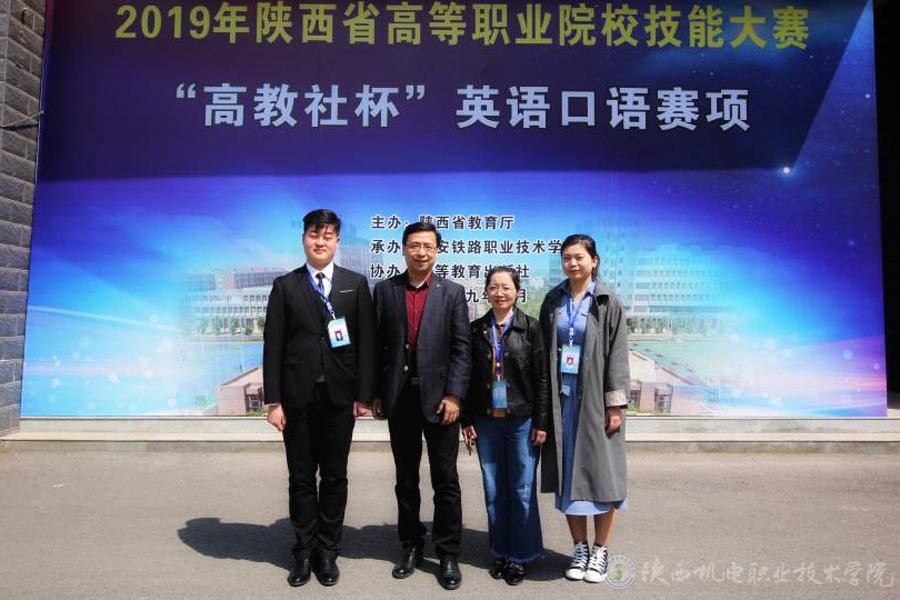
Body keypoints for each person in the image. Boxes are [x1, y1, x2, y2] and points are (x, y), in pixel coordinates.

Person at [262, 209, 375, 587]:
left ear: (337, 241)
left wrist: (363, 396)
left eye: (328, 235)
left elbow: (366, 343)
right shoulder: (285, 286)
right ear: (303, 239)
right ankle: (303, 552)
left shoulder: (354, 284)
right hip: (297, 399)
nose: (320, 241)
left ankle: (327, 551)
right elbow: (273, 345)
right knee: (300, 479)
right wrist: (274, 402)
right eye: (314, 234)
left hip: (339, 399)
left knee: (335, 477)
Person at [370, 221, 471, 590]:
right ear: (403, 248)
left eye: (428, 246)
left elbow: (461, 348)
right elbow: (377, 345)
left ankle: (448, 552)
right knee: (406, 478)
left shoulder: (452, 292)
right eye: (414, 245)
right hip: (400, 399)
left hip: (441, 400)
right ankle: (410, 545)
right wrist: (376, 392)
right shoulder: (385, 290)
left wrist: (455, 395)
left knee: (446, 480)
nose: (421, 252)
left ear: (437, 250)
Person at [538, 234, 630, 584]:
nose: (572, 263)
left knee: (602, 476)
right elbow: (543, 350)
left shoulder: (607, 301)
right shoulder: (553, 300)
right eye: (566, 257)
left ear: (594, 261)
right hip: (562, 401)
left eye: (579, 257)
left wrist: (614, 405)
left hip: (595, 402)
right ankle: (579, 547)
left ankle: (601, 550)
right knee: (568, 477)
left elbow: (618, 355)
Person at [461, 266, 549, 586]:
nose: (499, 292)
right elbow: (467, 378)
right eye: (494, 287)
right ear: (486, 291)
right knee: (494, 488)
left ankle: (520, 555)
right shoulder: (476, 330)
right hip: (486, 421)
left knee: (522, 489)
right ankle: (500, 550)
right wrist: (466, 420)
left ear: (517, 291)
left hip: (523, 420)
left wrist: (541, 422)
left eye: (506, 287)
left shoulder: (531, 328)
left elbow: (542, 378)